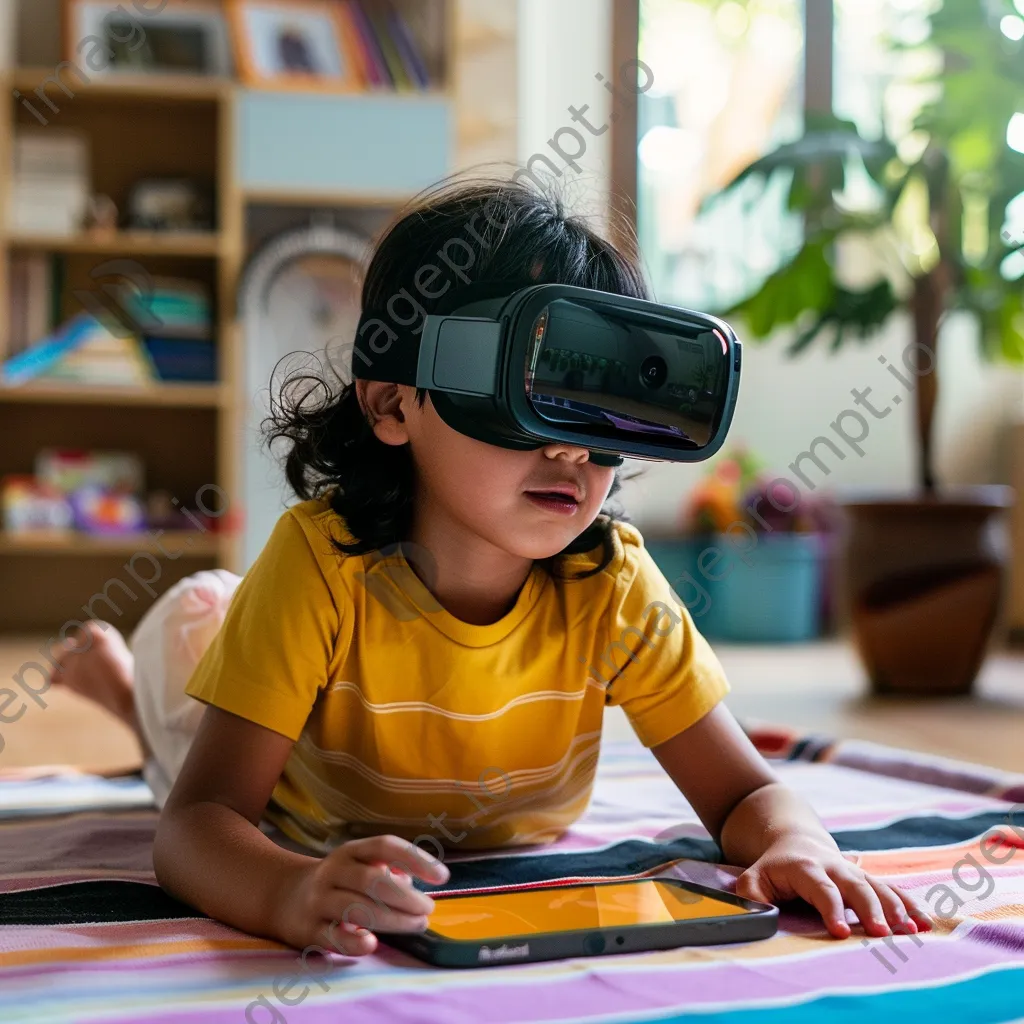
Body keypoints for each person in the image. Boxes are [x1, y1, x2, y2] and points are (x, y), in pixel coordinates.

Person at [51, 177, 932, 957]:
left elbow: (746, 794)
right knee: (202, 623)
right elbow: (198, 828)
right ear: (396, 403)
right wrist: (285, 890)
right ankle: (132, 694)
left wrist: (797, 843)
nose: (570, 451)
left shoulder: (613, 586)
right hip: (299, 794)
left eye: (601, 411)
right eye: (529, 395)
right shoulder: (320, 564)